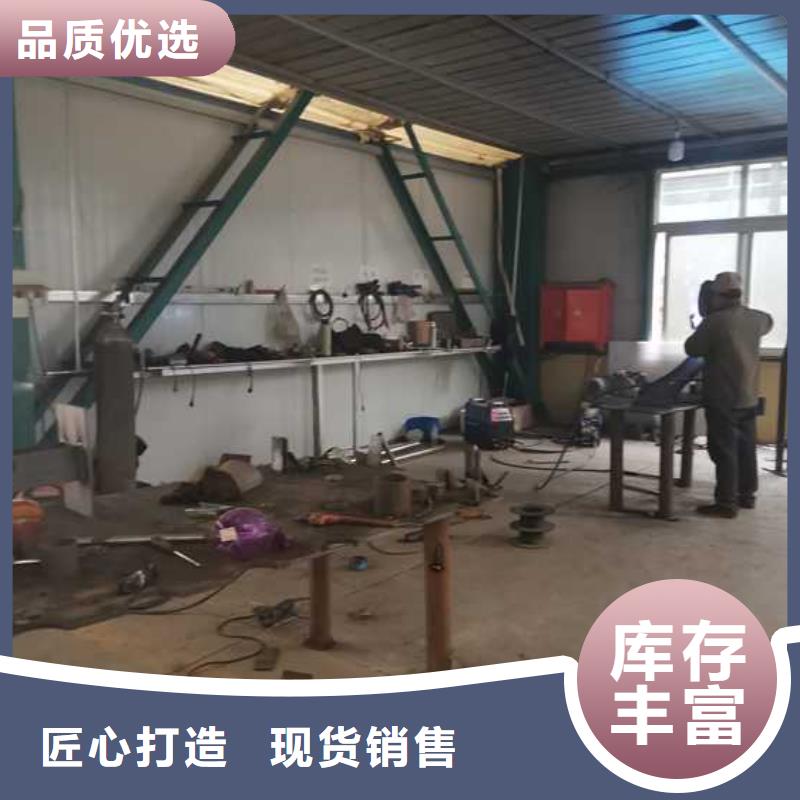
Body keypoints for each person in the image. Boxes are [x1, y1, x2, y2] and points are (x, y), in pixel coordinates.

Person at [684, 272, 773, 518]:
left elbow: (692, 348)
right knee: (746, 448)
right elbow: (769, 322)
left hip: (723, 397)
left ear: (716, 296)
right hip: (748, 396)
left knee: (724, 450)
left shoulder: (715, 322)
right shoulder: (757, 318)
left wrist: (704, 324)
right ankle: (747, 496)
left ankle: (725, 503)